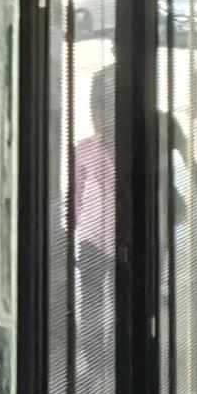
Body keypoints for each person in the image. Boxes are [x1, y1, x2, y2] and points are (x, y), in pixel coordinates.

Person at [71, 63, 118, 344]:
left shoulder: (87, 150)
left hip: (116, 239)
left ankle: (107, 348)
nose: (96, 116)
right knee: (93, 298)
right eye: (94, 109)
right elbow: (75, 196)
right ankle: (94, 349)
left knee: (115, 297)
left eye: (99, 109)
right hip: (93, 240)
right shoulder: (84, 149)